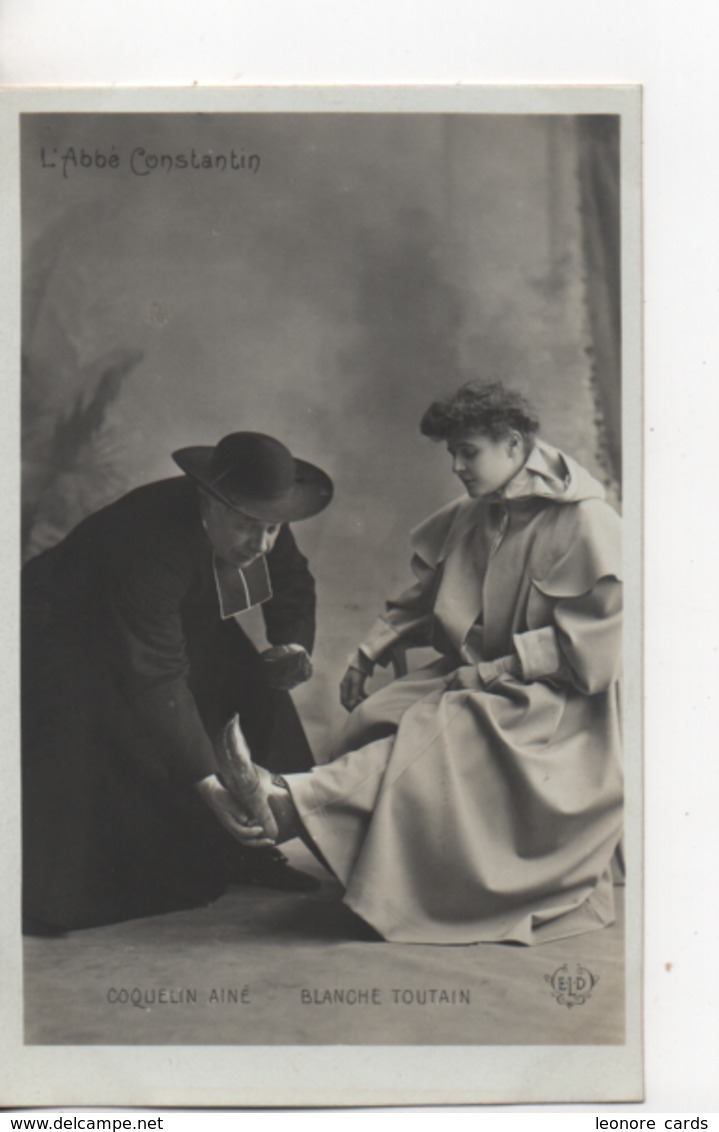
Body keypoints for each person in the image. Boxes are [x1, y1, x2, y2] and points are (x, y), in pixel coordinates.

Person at [221, 382, 624, 946]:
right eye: (451, 454)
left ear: (512, 444)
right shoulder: (476, 512)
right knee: (378, 716)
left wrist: (489, 673)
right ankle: (356, 852)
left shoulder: (588, 524)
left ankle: (288, 802)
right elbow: (424, 596)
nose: (457, 466)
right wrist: (368, 652)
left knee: (439, 729)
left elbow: (591, 654)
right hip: (476, 677)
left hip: (555, 703)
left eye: (468, 452)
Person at [21, 431, 334, 934]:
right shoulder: (150, 542)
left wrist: (293, 646)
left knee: (255, 688)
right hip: (67, 626)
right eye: (249, 528)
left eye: (273, 529)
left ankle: (248, 850)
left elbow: (292, 581)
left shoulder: (261, 517)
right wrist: (206, 782)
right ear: (211, 504)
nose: (262, 545)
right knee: (110, 741)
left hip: (170, 618)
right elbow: (156, 673)